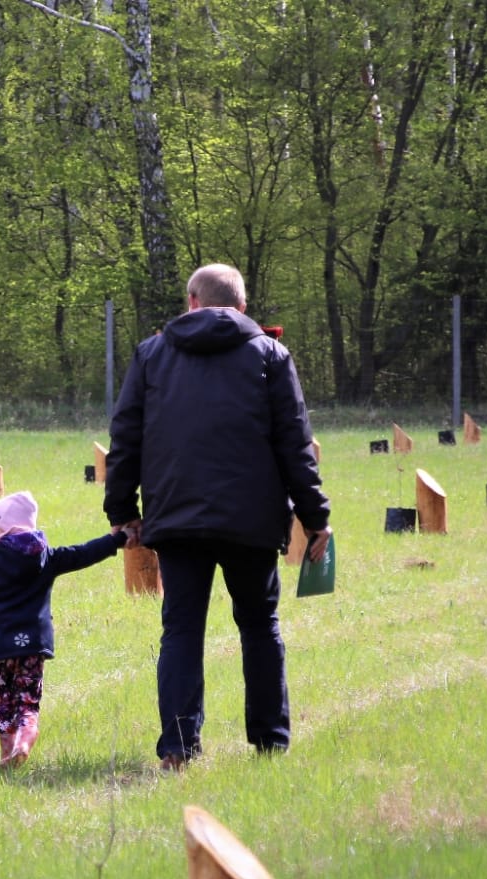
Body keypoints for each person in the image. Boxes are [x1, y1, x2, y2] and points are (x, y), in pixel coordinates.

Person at [103, 263, 331, 770]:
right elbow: (296, 446)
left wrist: (123, 511)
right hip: (251, 521)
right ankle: (271, 742)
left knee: (181, 630)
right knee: (259, 626)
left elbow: (125, 439)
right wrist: (316, 518)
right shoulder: (271, 355)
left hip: (177, 519)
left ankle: (179, 749)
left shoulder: (150, 354)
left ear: (191, 301)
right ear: (243, 308)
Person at [0, 491, 128, 767]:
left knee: (4, 699)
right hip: (32, 646)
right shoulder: (47, 558)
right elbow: (84, 553)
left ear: (8, 529)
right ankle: (25, 737)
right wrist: (117, 539)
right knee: (27, 701)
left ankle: (6, 752)